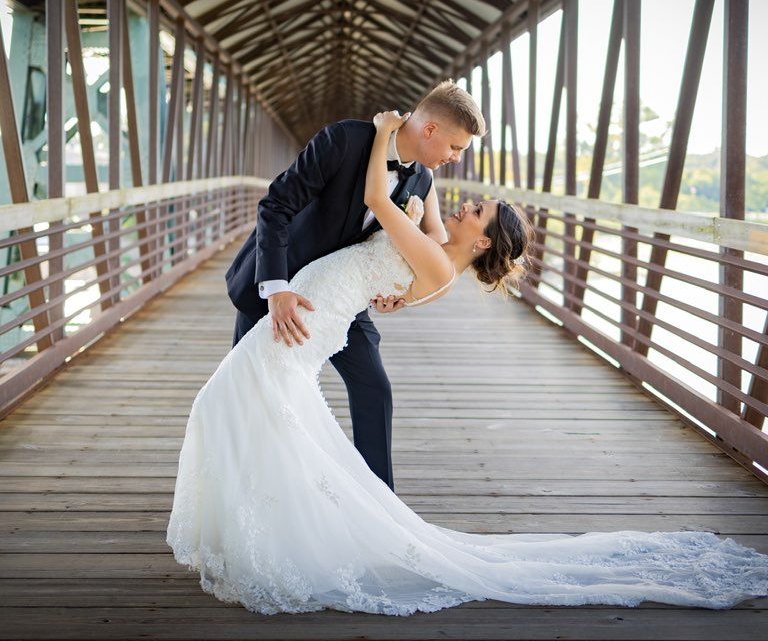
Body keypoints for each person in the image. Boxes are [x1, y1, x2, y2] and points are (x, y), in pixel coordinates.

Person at [167, 110, 768, 616]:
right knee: (253, 407)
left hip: (312, 314)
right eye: (455, 151)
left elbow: (381, 199)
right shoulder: (436, 241)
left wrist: (382, 133)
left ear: (480, 242)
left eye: (475, 210)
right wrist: (418, 167)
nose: (463, 202)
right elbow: (418, 208)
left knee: (238, 403)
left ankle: (303, 526)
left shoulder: (433, 257)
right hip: (307, 300)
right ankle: (277, 523)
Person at [225, 80, 484, 491]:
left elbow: (426, 250)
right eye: (457, 148)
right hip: (277, 282)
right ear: (430, 130)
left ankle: (381, 505)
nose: (455, 159)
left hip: (341, 295)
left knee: (374, 389)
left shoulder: (422, 183)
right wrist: (275, 288)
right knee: (249, 392)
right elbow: (274, 206)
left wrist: (404, 293)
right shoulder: (344, 140)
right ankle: (242, 493)